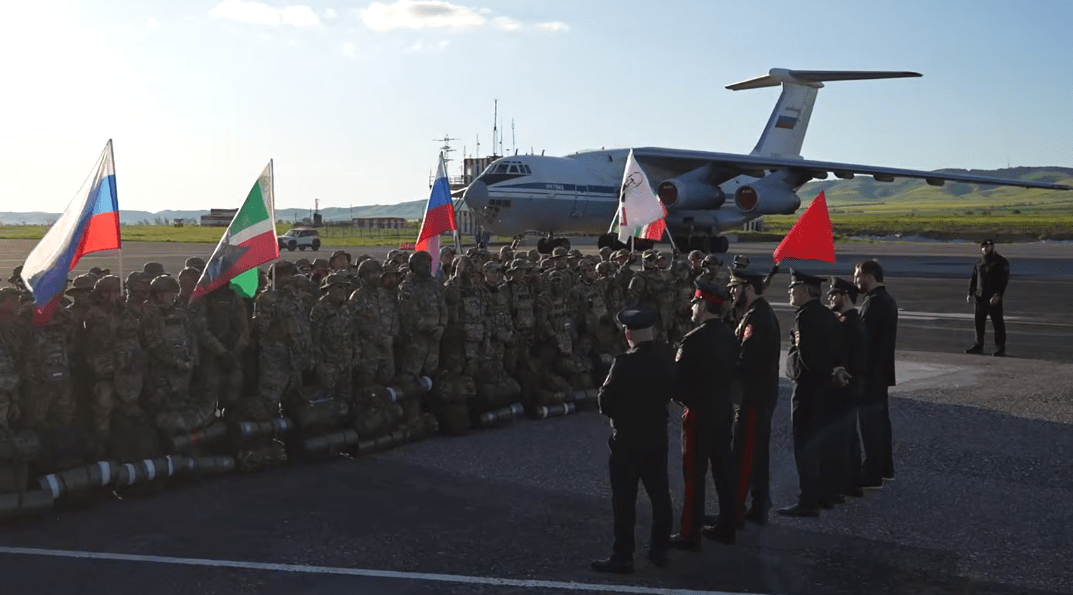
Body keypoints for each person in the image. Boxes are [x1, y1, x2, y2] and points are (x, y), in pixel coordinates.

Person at [592, 307, 676, 574]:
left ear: (628, 334)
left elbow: (605, 403)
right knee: (660, 496)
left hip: (628, 439)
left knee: (624, 500)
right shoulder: (666, 358)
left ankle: (623, 555)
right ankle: (659, 550)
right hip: (656, 435)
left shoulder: (623, 363)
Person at [669, 281, 740, 550]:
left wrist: (681, 399)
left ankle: (690, 531)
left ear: (705, 306)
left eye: (696, 303)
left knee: (694, 474)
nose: (692, 307)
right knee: (723, 470)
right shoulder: (729, 335)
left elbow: (678, 382)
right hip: (722, 409)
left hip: (699, 412)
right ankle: (727, 525)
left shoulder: (694, 339)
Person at [779, 270, 844, 517]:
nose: (790, 292)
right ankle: (825, 494)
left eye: (793, 288)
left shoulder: (805, 317)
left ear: (805, 291)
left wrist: (805, 368)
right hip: (826, 388)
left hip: (807, 389)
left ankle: (808, 500)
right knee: (822, 443)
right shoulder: (828, 314)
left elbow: (806, 357)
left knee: (805, 444)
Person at [726, 270, 781, 526]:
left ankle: (733, 512)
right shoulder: (757, 313)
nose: (731, 292)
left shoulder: (757, 318)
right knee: (756, 453)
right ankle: (759, 505)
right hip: (759, 395)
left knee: (744, 455)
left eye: (735, 287)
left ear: (748, 289)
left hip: (752, 397)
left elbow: (744, 360)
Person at [854, 260, 897, 488]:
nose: (855, 281)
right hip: (881, 372)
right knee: (881, 423)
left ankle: (872, 474)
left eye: (857, 277)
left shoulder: (873, 303)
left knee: (870, 425)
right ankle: (885, 468)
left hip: (870, 374)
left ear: (868, 277)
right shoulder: (887, 300)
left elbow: (863, 340)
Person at [828, 276, 867, 499]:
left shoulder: (848, 324)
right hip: (853, 386)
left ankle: (845, 483)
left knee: (843, 435)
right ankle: (852, 482)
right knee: (849, 434)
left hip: (846, 386)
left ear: (844, 297)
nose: (830, 298)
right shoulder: (852, 321)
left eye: (834, 294)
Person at [966, 239, 1009, 356]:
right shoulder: (979, 262)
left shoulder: (1000, 262)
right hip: (980, 297)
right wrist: (970, 294)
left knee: (998, 324)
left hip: (993, 298)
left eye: (987, 247)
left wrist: (998, 295)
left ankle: (1000, 347)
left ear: (992, 248)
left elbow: (1003, 280)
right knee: (979, 323)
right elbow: (974, 279)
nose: (985, 249)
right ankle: (978, 345)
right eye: (983, 247)